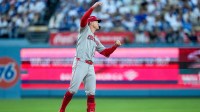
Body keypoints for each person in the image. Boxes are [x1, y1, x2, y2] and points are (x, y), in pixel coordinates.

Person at [58, 2, 121, 112]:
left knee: (91, 93)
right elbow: (83, 19)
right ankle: (62, 110)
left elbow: (106, 53)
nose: (98, 23)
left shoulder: (96, 39)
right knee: (73, 90)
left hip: (90, 66)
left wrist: (115, 46)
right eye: (96, 21)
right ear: (91, 22)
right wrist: (94, 6)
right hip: (80, 62)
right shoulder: (84, 30)